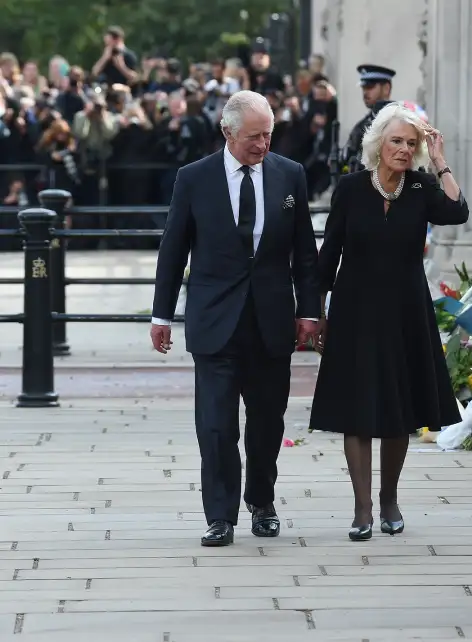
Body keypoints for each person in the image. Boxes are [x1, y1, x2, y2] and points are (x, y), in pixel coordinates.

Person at [149, 90, 321, 547]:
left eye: (268, 135)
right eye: (253, 137)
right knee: (216, 425)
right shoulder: (193, 178)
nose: (262, 145)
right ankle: (220, 516)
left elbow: (305, 251)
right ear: (227, 132)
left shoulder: (290, 174)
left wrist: (310, 311)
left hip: (271, 321)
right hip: (214, 321)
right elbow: (173, 249)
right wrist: (161, 314)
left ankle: (262, 503)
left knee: (266, 423)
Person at [311, 103, 468, 541]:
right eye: (396, 140)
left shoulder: (420, 186)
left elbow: (457, 211)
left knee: (399, 410)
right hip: (355, 309)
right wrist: (316, 311)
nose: (403, 149)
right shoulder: (350, 188)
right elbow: (329, 253)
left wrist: (440, 161)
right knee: (357, 410)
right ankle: (361, 508)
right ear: (378, 142)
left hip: (405, 311)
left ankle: (389, 499)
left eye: (411, 143)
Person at [341, 64, 395, 173]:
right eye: (364, 88)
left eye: (370, 87)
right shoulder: (361, 126)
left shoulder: (400, 122)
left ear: (386, 88)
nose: (365, 93)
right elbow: (346, 160)